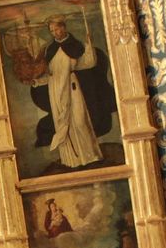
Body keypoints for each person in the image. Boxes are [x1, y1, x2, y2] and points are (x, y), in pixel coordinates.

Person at [27, 16, 115, 169]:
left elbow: (87, 64)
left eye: (57, 29)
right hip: (56, 90)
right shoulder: (50, 50)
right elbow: (50, 74)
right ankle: (71, 160)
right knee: (63, 125)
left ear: (64, 27)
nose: (55, 33)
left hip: (73, 89)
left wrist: (88, 47)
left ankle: (90, 156)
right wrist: (36, 82)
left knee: (80, 121)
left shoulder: (75, 45)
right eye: (52, 31)